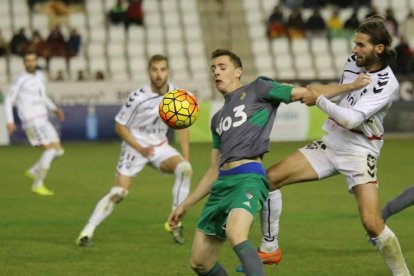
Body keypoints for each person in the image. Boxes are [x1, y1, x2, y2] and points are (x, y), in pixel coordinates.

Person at [168, 49, 370, 275]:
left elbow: (309, 93)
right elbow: (213, 170)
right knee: (199, 263)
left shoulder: (259, 88)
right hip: (221, 186)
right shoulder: (217, 118)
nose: (216, 72)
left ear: (238, 72)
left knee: (236, 234)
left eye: (222, 67)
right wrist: (184, 205)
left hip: (248, 178)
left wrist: (350, 86)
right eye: (213, 68)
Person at [247, 17, 411, 276]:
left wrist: (319, 99)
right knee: (268, 180)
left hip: (360, 149)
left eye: (361, 44)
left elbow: (351, 118)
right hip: (332, 141)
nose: (354, 49)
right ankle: (269, 248)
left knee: (371, 222)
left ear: (379, 49)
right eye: (355, 43)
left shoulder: (387, 83)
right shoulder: (353, 62)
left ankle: (403, 274)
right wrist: (310, 93)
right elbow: (338, 92)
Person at [76, 54, 192, 247]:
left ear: (168, 71)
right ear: (149, 71)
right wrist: (139, 147)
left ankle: (175, 222)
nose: (158, 74)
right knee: (119, 192)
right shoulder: (137, 98)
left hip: (159, 146)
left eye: (162, 69)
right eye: (154, 69)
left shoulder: (176, 95)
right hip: (135, 147)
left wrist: (186, 157)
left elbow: (183, 125)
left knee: (185, 169)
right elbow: (119, 126)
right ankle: (87, 231)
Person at [4, 51, 65, 196]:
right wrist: (10, 121)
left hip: (44, 119)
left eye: (33, 60)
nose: (31, 63)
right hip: (31, 122)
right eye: (28, 61)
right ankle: (37, 185)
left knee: (59, 151)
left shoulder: (39, 76)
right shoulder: (19, 80)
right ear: (24, 63)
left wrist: (54, 108)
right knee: (49, 150)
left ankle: (33, 170)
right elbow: (8, 100)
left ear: (36, 61)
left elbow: (42, 96)